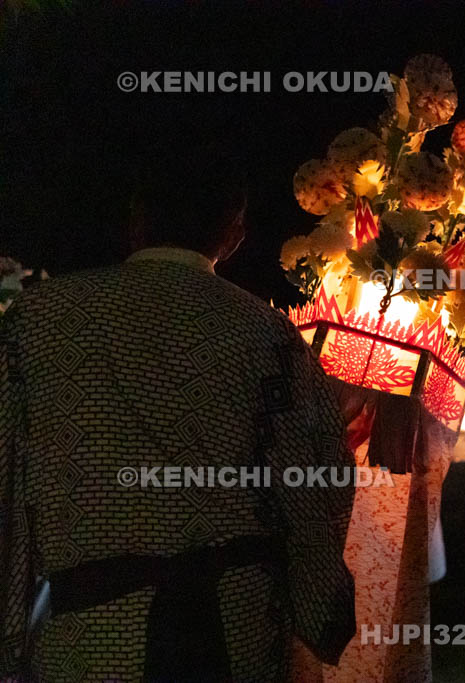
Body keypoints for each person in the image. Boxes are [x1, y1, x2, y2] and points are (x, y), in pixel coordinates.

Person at [0, 149, 356, 681]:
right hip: (235, 626)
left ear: (135, 220)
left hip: (90, 633)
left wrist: (10, 626)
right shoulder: (268, 334)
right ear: (233, 235)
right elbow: (320, 479)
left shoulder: (37, 320)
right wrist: (316, 607)